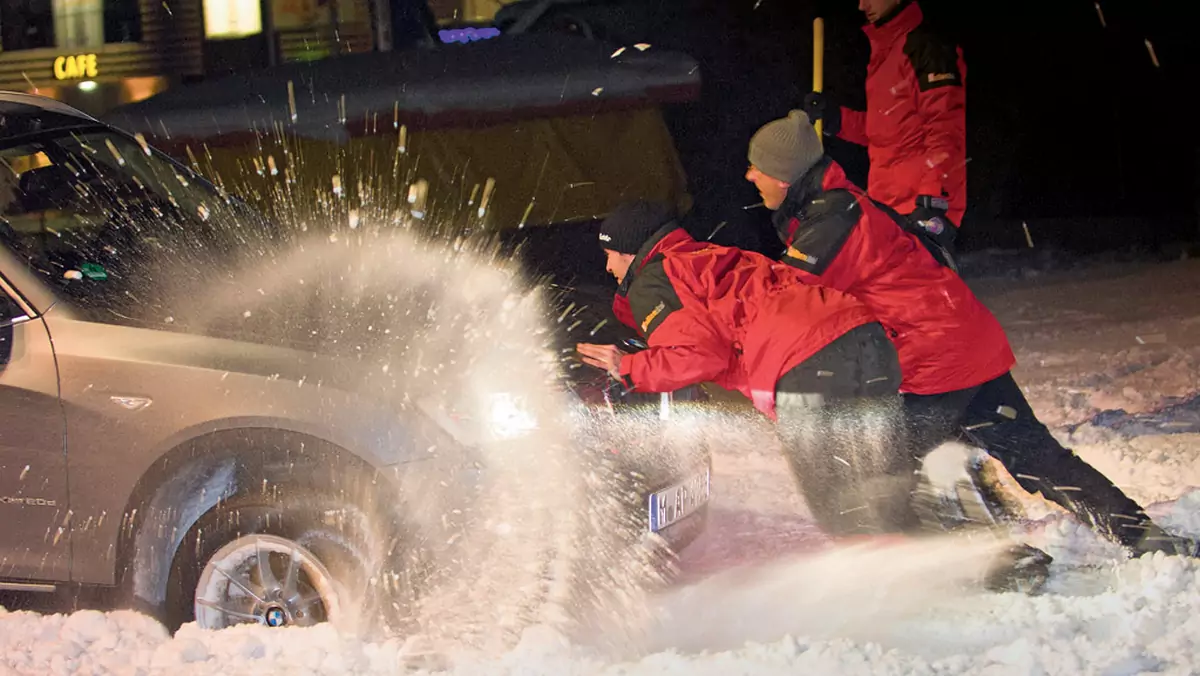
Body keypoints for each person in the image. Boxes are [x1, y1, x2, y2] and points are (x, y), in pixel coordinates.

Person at [744, 109, 1198, 558]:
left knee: (891, 478)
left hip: (936, 360)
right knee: (1034, 456)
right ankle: (1140, 535)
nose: (749, 176)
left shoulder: (832, 223)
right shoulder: (842, 205)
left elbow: (783, 302)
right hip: (966, 344)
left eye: (757, 168)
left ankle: (988, 565)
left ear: (786, 178)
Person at [576, 200, 916, 537]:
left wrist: (627, 365)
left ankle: (882, 577)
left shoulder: (653, 281)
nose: (607, 268)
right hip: (867, 338)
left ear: (627, 251)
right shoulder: (709, 257)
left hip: (807, 361)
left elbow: (700, 355)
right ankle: (930, 573)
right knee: (887, 492)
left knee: (840, 504)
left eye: (608, 255)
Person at [803, 0, 964, 251]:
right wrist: (838, 119)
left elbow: (946, 130)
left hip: (919, 208)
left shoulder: (926, 49)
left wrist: (933, 202)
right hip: (886, 205)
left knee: (917, 289)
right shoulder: (884, 55)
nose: (861, 5)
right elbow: (887, 131)